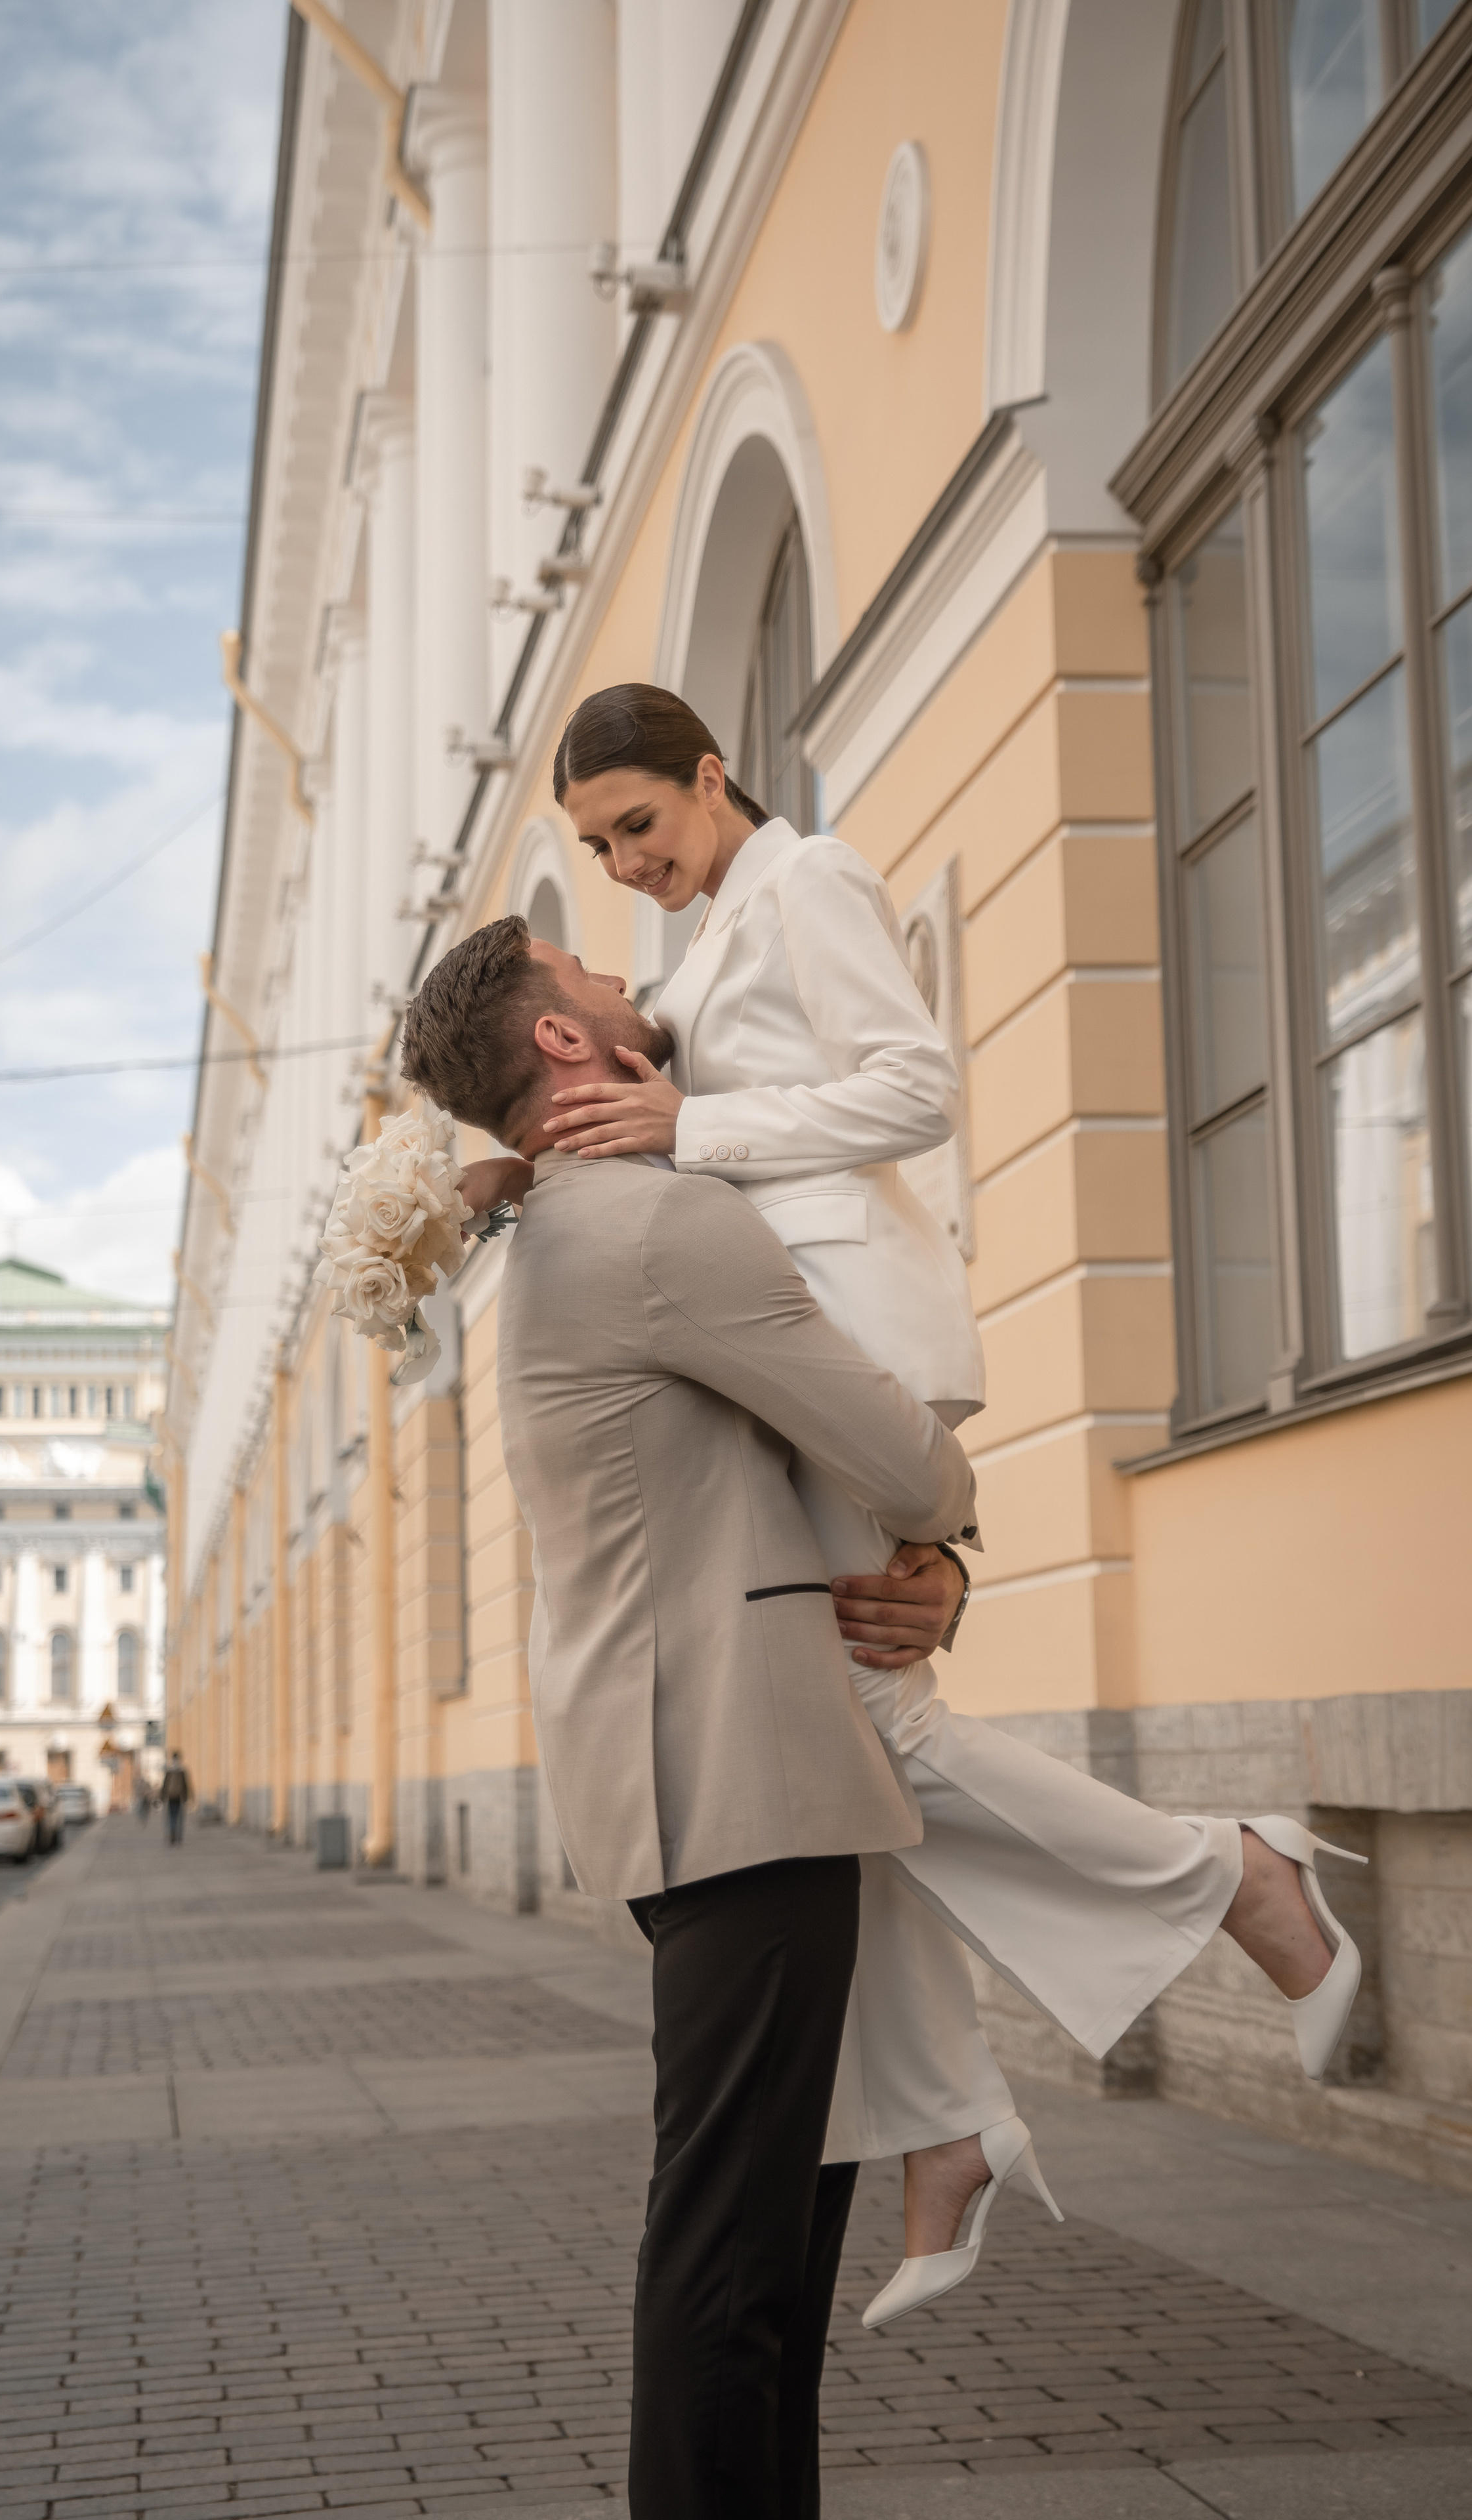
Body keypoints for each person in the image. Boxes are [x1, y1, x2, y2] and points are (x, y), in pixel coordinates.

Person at [462, 682, 1366, 2328]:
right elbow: (605, 1080)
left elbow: (915, 1085)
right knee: (843, 1754)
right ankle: (949, 2116)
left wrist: (694, 1120)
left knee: (865, 1734)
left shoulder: (805, 881)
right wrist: (495, 1164)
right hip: (784, 1343)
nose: (622, 865)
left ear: (710, 776)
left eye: (638, 826)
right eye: (596, 847)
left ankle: (1222, 1875)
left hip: (849, 1325)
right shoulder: (710, 933)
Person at [402, 919, 978, 2519]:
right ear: (565, 1048)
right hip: (739, 1773)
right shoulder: (657, 1226)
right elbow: (902, 1458)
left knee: (770, 2247)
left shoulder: (561, 1226)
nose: (611, 963)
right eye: (578, 966)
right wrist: (947, 1518)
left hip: (701, 1766)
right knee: (737, 2251)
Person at [159, 1752, 192, 1847]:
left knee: (171, 1817)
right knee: (180, 1817)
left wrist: (162, 1797)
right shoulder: (182, 1771)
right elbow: (186, 1785)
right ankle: (179, 1836)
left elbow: (165, 1785)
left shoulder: (169, 1771)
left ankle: (172, 1832)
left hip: (170, 1798)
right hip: (179, 1798)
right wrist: (186, 1797)